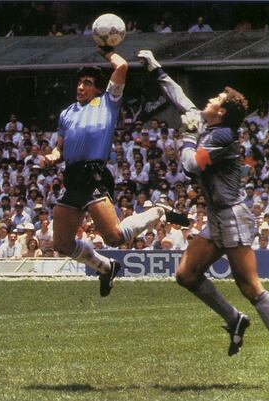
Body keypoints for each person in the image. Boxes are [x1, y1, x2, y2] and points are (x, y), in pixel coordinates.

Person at [137, 49, 269, 384]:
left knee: (250, 286)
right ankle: (235, 320)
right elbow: (180, 98)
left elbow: (190, 166)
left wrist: (184, 136)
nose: (207, 100)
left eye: (214, 98)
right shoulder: (211, 124)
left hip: (233, 217)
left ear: (221, 111)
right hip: (218, 217)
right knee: (186, 274)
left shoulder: (223, 136)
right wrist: (155, 68)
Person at [43, 46, 188, 297]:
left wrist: (106, 50)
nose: (80, 87)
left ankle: (157, 211)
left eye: (86, 83)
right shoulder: (67, 113)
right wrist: (52, 156)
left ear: (98, 88)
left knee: (114, 237)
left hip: (94, 174)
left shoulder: (107, 102)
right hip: (73, 176)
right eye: (79, 83)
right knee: (61, 244)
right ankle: (107, 267)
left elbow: (121, 66)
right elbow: (59, 149)